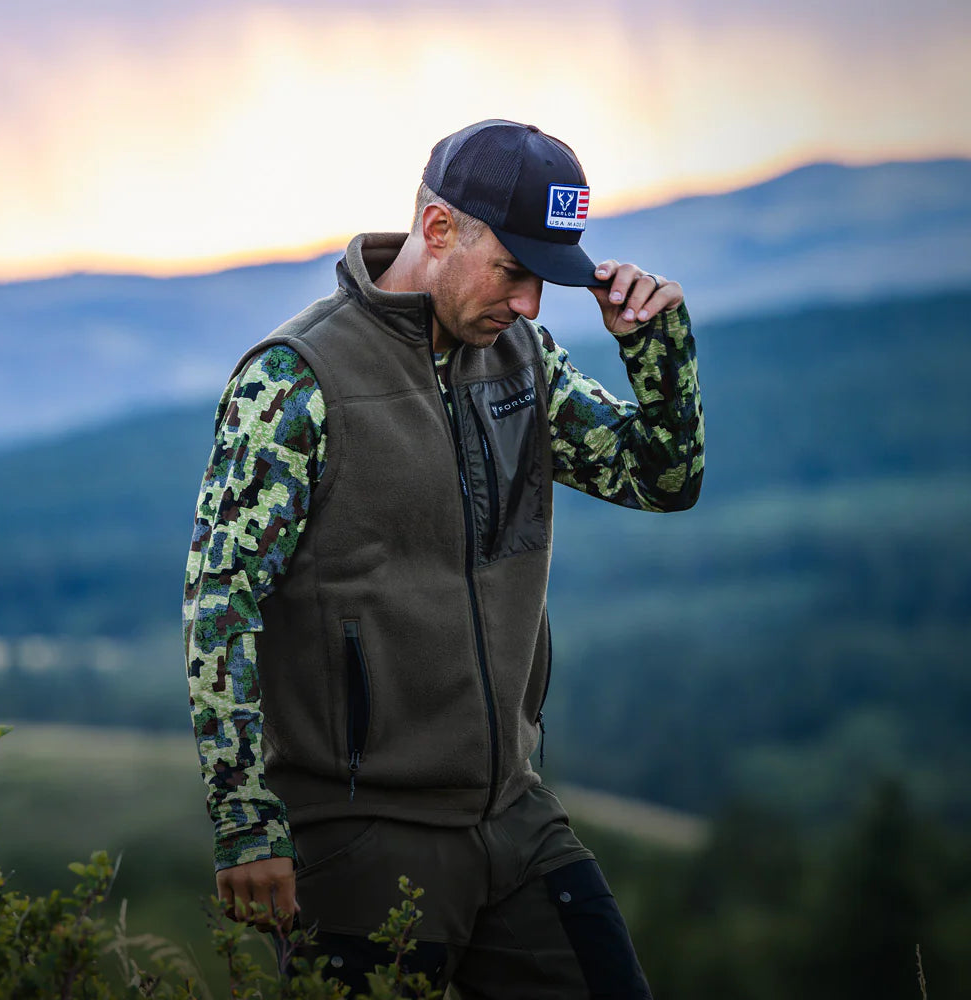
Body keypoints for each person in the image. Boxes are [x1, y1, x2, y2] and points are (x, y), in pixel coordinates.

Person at [180, 119, 702, 997]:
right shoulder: (295, 381)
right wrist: (245, 821)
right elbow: (221, 605)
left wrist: (656, 345)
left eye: (547, 279)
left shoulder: (522, 361)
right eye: (513, 271)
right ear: (437, 228)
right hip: (363, 836)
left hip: (514, 813)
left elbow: (663, 479)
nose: (530, 304)